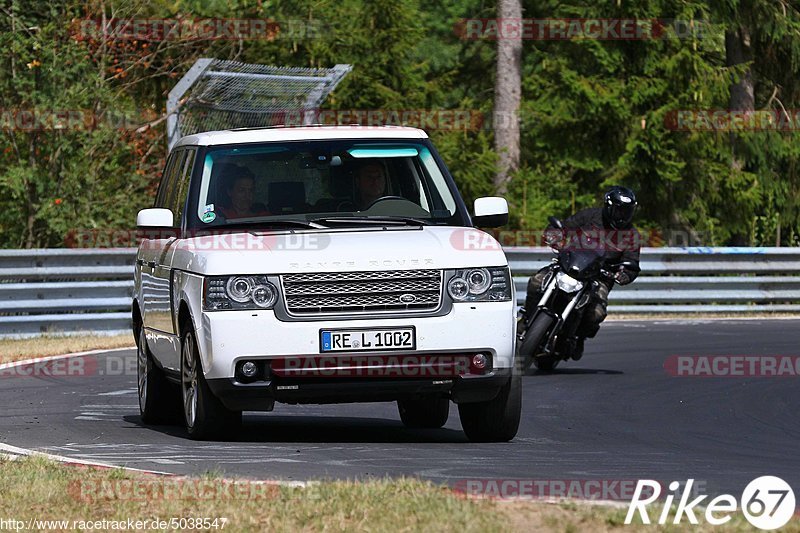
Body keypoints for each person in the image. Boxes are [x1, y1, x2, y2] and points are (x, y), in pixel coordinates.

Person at [523, 186, 641, 360]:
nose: (622, 215)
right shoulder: (589, 216)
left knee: (596, 314)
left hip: (599, 277)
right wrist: (554, 233)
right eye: (619, 210)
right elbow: (564, 226)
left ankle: (578, 337)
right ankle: (526, 317)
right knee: (536, 281)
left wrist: (625, 274)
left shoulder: (631, 235)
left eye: (627, 211)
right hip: (570, 265)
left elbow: (632, 263)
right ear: (609, 206)